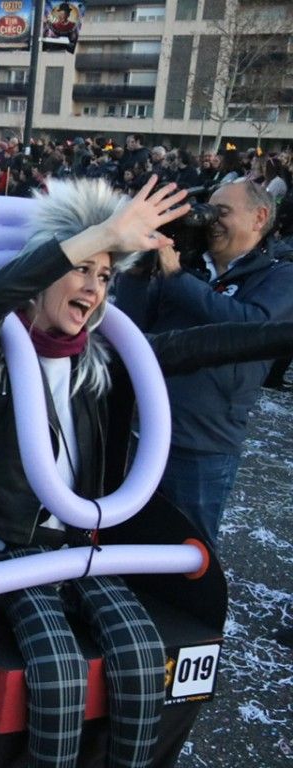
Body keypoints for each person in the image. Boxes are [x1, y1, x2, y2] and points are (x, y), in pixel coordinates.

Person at [0, 177, 188, 768]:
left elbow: (196, 348)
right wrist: (102, 234)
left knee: (140, 655)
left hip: (77, 546)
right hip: (5, 548)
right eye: (83, 268)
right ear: (45, 270)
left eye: (106, 275)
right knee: (61, 674)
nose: (95, 287)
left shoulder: (98, 361)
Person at [115, 178, 293, 546]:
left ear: (260, 217)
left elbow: (249, 327)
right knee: (128, 538)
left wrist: (177, 277)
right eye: (209, 211)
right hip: (146, 429)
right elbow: (134, 328)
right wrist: (136, 267)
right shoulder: (187, 264)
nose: (211, 220)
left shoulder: (281, 275)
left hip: (204, 443)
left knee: (188, 550)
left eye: (223, 212)